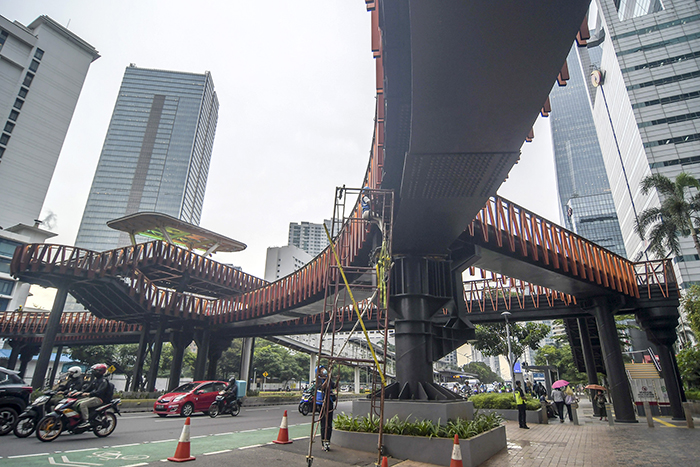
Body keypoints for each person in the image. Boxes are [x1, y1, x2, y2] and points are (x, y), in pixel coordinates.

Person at [74, 363, 111, 429]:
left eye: (95, 371)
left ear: (100, 371)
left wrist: (89, 394)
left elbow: (99, 392)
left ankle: (86, 421)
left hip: (99, 399)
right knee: (76, 402)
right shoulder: (95, 380)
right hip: (92, 397)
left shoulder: (103, 381)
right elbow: (88, 388)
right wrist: (80, 392)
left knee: (83, 404)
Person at [315, 366, 336, 451]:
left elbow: (334, 386)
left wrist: (335, 379)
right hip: (321, 403)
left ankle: (328, 441)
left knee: (329, 424)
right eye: (321, 370)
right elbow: (322, 387)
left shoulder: (329, 379)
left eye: (324, 369)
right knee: (323, 423)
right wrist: (327, 378)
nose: (323, 371)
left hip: (329, 402)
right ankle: (323, 442)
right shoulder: (318, 380)